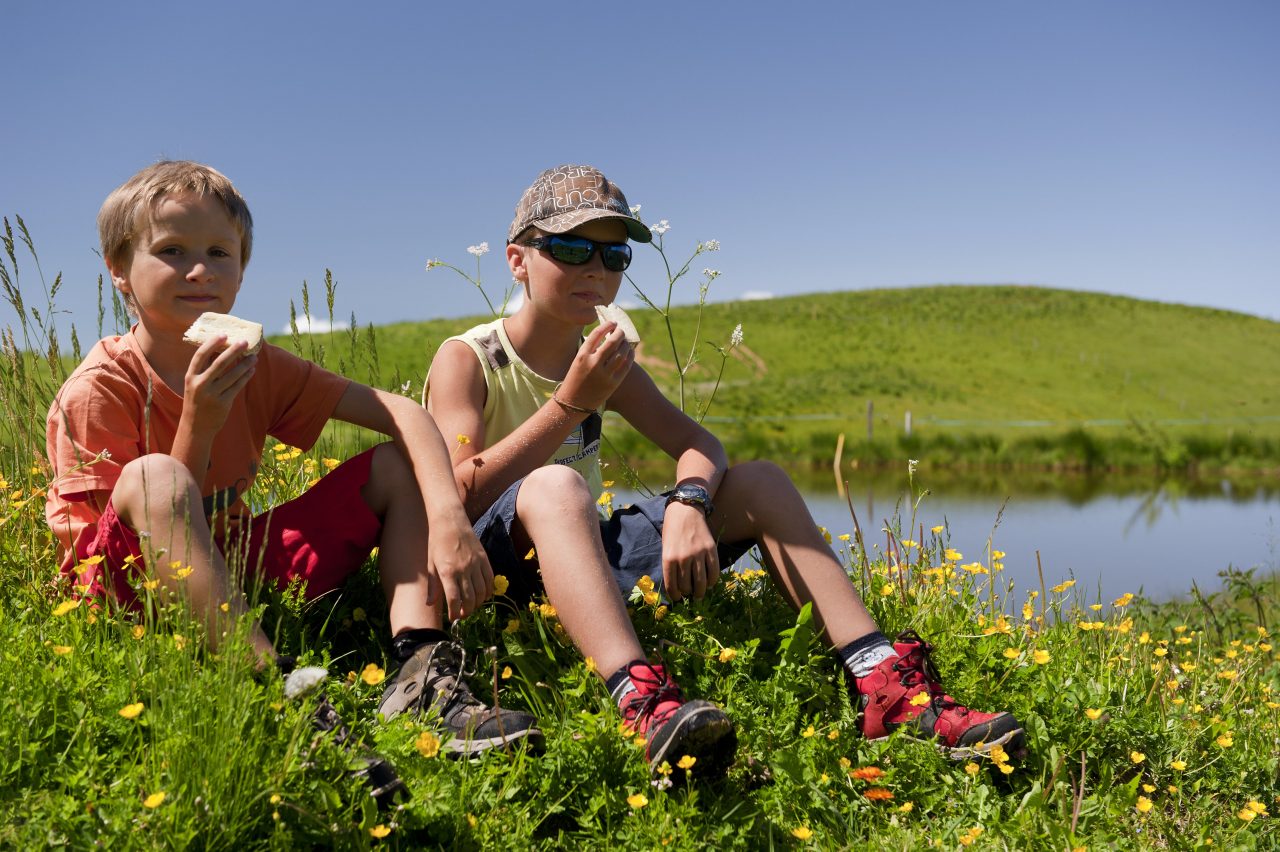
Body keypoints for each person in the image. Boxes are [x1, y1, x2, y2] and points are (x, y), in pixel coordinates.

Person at [423, 164, 1025, 779]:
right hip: (495, 574)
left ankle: (882, 685)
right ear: (517, 260)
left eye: (614, 255)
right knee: (557, 484)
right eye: (572, 248)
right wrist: (568, 406)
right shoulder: (470, 359)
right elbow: (459, 492)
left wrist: (688, 501)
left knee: (761, 480)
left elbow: (699, 443)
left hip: (585, 555)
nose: (596, 270)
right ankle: (641, 703)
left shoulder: (604, 361)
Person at [44, 162, 541, 805]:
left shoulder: (258, 363)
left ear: (243, 269)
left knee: (396, 463)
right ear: (118, 269)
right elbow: (137, 533)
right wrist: (199, 420)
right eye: (171, 251)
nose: (200, 271)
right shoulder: (101, 388)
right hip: (126, 593)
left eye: (219, 252)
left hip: (232, 569)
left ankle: (421, 669)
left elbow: (406, 413)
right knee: (157, 472)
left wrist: (449, 516)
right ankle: (278, 696)